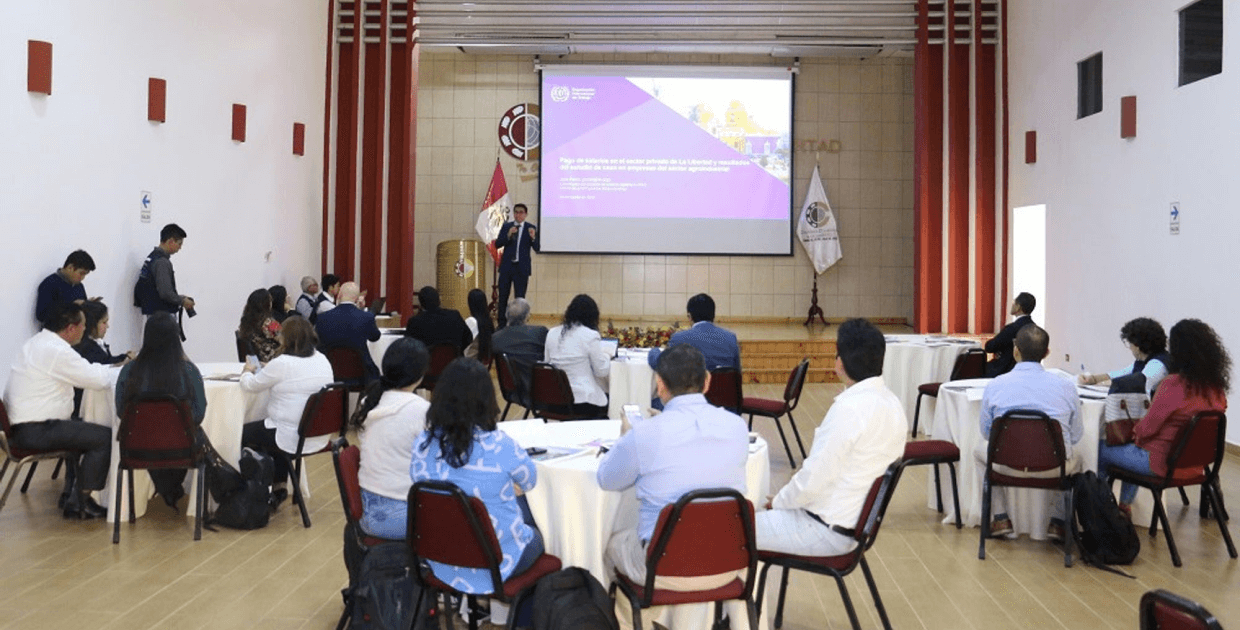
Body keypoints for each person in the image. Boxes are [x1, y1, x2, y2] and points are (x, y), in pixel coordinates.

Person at [597, 344, 749, 591]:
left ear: (659, 384)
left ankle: (627, 612)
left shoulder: (644, 434)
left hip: (662, 568)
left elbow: (606, 479)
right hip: (729, 565)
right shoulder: (737, 426)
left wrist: (625, 439)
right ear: (707, 381)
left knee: (606, 544)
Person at [755, 318, 906, 557]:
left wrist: (779, 502)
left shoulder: (850, 409)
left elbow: (813, 478)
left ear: (839, 363)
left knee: (732, 528)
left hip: (824, 530)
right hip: (853, 526)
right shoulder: (893, 404)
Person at [410, 358, 545, 593]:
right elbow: (530, 481)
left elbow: (419, 482)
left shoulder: (422, 443)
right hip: (497, 562)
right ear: (487, 400)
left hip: (441, 559)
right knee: (539, 525)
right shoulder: (501, 445)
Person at [1098, 319, 1230, 517]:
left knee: (1100, 449)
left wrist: (1133, 434)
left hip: (1161, 464)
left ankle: (1103, 512)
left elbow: (1146, 430)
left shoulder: (1173, 385)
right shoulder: (1217, 389)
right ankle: (1123, 507)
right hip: (1196, 468)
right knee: (1133, 447)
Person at [3, 302, 113, 518]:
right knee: (104, 438)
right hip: (37, 430)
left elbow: (89, 373)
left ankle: (72, 495)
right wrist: (123, 370)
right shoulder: (56, 351)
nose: (85, 329)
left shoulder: (36, 342)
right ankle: (80, 502)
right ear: (71, 328)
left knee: (83, 428)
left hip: (21, 428)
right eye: (83, 325)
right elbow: (97, 380)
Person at [976, 323, 1083, 541]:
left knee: (979, 452)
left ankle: (1000, 517)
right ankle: (1058, 521)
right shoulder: (1067, 387)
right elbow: (1075, 436)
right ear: (1047, 353)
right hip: (1054, 468)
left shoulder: (995, 385)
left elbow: (987, 433)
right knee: (1078, 457)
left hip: (1006, 464)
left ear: (1015, 350)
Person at [240, 316, 336, 506]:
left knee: (242, 433)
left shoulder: (282, 363)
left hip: (290, 436)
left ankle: (246, 494)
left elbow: (250, 386)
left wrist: (247, 371)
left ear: (286, 338)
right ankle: (279, 486)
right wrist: (270, 369)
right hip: (317, 434)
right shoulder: (322, 359)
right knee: (273, 430)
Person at [115, 312, 208, 509]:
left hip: (136, 445)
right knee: (199, 436)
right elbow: (199, 414)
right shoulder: (188, 371)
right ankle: (171, 488)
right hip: (182, 446)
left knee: (160, 438)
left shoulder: (129, 371)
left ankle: (167, 488)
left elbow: (121, 411)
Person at [351, 338, 430, 539]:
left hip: (368, 506)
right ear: (420, 374)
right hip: (402, 514)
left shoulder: (370, 401)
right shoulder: (420, 409)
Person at [544, 294, 610, 418]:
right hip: (583, 401)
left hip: (554, 400)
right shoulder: (590, 335)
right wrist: (607, 356)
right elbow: (601, 371)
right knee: (609, 399)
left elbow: (546, 365)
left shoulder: (551, 333)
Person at [647, 293, 741, 370]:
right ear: (713, 315)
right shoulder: (731, 338)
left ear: (689, 317)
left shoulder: (679, 338)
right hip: (723, 388)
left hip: (692, 388)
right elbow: (736, 374)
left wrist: (654, 351)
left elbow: (660, 364)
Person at [1079, 317, 1170, 396]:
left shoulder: (1158, 365)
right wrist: (1094, 378)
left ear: (1137, 346)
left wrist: (1101, 383)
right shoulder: (1143, 361)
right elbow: (1121, 374)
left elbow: (1136, 384)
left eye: (1129, 344)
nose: (1130, 348)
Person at [315, 282, 382, 380]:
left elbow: (318, 343)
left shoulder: (322, 318)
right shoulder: (366, 317)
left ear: (339, 296)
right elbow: (375, 337)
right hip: (362, 372)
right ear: (357, 298)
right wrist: (361, 309)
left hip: (330, 371)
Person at [491, 298, 548, 408]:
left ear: (506, 315)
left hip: (512, 392)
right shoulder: (540, 333)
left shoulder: (495, 338)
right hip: (542, 391)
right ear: (527, 316)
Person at [134, 223, 195, 325]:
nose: (180, 248)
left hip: (154, 315)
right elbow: (165, 293)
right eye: (179, 243)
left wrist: (180, 298)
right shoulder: (162, 262)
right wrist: (182, 301)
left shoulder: (152, 258)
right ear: (170, 241)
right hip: (162, 317)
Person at [494, 203, 540, 329]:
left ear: (526, 214)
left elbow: (537, 248)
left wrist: (533, 238)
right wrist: (508, 235)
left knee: (520, 298)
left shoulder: (531, 228)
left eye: (521, 212)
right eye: (516, 212)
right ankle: (501, 325)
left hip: (521, 269)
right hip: (507, 267)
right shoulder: (507, 226)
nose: (518, 215)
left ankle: (518, 326)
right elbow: (498, 244)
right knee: (503, 297)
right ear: (514, 214)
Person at [403, 286, 472, 352]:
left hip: (426, 359)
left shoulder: (415, 322)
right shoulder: (455, 315)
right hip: (455, 359)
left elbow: (408, 347)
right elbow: (468, 338)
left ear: (421, 304)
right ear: (439, 301)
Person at [35, 249, 96, 324]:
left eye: (85, 274)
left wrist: (89, 305)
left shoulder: (79, 286)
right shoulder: (49, 284)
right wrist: (72, 306)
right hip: (57, 329)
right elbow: (41, 315)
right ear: (70, 267)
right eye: (81, 273)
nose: (83, 278)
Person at [984, 291, 1035, 377]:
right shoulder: (1034, 327)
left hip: (1004, 370)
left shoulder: (1012, 328)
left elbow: (990, 347)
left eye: (1014, 303)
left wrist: (999, 351)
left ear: (1018, 307)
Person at [74, 301, 133, 366]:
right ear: (92, 324)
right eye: (104, 322)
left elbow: (108, 359)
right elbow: (106, 364)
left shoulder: (97, 343)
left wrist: (125, 357)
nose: (107, 326)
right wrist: (126, 359)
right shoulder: (88, 349)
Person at [237, 288, 281, 363]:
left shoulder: (245, 321)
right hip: (271, 359)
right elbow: (284, 338)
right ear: (266, 304)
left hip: (256, 361)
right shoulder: (270, 323)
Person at [463, 288, 494, 363]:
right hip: (481, 364)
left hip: (467, 363)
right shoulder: (489, 322)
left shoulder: (471, 321)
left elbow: (462, 344)